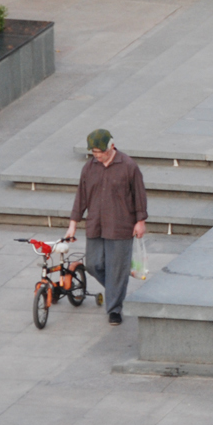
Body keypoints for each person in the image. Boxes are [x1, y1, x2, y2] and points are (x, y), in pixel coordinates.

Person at [64, 129, 147, 326]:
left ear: (111, 146)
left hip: (121, 225)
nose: (98, 156)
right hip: (96, 224)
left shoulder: (128, 166)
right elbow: (81, 197)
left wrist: (140, 221)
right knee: (93, 264)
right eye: (94, 152)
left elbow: (139, 195)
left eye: (100, 152)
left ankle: (114, 309)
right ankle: (116, 287)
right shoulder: (89, 168)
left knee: (117, 269)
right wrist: (73, 224)